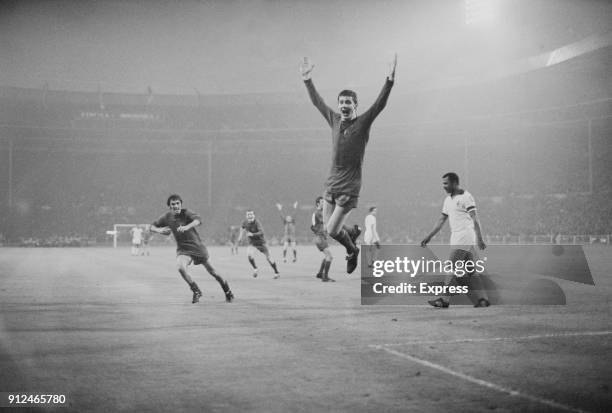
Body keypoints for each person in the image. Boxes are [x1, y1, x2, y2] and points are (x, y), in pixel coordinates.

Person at [300, 54, 396, 274]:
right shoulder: (334, 119)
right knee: (328, 227)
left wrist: (389, 81)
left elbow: (379, 105)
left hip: (349, 185)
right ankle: (352, 232)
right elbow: (317, 102)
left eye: (348, 102)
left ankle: (352, 250)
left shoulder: (362, 123)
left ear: (355, 105)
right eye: (341, 102)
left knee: (332, 230)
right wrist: (307, 79)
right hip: (330, 183)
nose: (344, 105)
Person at [421, 173, 490, 308]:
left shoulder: (466, 197)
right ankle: (483, 299)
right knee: (471, 271)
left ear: (454, 183)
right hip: (459, 238)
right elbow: (441, 220)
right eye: (443, 183)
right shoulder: (448, 200)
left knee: (451, 267)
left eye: (446, 183)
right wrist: (429, 236)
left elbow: (475, 219)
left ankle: (444, 300)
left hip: (463, 237)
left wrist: (480, 239)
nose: (444, 186)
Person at [150, 194, 234, 304]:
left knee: (213, 272)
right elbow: (151, 226)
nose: (176, 206)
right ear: (169, 207)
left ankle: (227, 291)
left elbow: (198, 220)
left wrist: (186, 227)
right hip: (183, 250)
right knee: (180, 268)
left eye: (177, 203)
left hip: (197, 247)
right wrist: (159, 230)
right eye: (173, 204)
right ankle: (196, 290)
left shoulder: (186, 213)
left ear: (181, 204)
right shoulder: (167, 217)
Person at [237, 210, 280, 279]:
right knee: (249, 254)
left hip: (262, 243)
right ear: (246, 216)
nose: (250, 216)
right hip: (252, 243)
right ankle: (255, 268)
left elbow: (261, 232)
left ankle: (276, 272)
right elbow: (242, 228)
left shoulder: (257, 223)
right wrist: (240, 237)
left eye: (251, 214)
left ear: (254, 215)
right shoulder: (245, 222)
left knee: (269, 258)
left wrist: (252, 234)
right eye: (248, 214)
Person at [311, 196, 334, 282]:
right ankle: (325, 277)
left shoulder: (318, 213)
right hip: (319, 238)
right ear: (318, 204)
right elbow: (325, 222)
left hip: (321, 237)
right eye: (322, 202)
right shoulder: (318, 213)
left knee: (326, 256)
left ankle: (320, 273)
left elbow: (313, 226)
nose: (324, 203)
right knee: (329, 256)